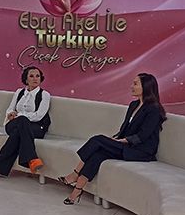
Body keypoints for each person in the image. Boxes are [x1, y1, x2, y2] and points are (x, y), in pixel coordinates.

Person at [61, 72, 166, 205]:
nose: (131, 86)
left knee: (97, 139)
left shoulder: (153, 109)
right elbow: (124, 129)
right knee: (98, 154)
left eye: (135, 84)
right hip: (127, 145)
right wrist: (115, 138)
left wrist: (119, 141)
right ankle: (76, 191)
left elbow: (143, 135)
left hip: (141, 150)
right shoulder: (133, 105)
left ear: (146, 86)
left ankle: (75, 173)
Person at [0, 66, 52, 180]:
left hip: (36, 127)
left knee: (18, 131)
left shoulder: (45, 95)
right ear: (26, 79)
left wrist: (20, 115)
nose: (35, 78)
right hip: (14, 124)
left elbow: (38, 116)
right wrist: (11, 113)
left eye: (37, 76)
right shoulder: (19, 92)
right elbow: (10, 109)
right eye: (31, 76)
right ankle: (31, 158)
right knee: (21, 122)